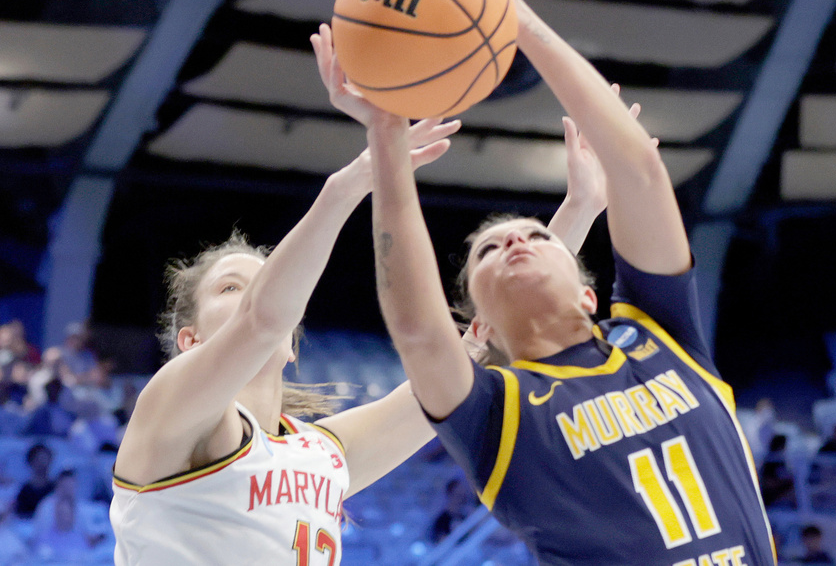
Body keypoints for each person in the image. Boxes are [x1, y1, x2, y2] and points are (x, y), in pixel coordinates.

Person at [328, 0, 776, 565]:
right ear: (479, 327)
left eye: (538, 236)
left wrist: (510, 11)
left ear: (591, 294)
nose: (514, 241)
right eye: (487, 249)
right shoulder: (495, 414)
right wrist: (387, 137)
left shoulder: (659, 333)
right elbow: (420, 328)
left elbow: (641, 169)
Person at [110, 75, 610, 563]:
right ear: (190, 339)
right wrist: (348, 185)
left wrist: (581, 208)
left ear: (292, 347)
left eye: (262, 284)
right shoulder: (167, 410)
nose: (255, 299)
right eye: (230, 288)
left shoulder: (324, 452)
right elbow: (262, 319)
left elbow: (477, 346)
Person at [14, 443, 55, 520]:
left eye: (46, 459)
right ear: (31, 462)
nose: (43, 463)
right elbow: (20, 515)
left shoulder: (55, 488)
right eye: (39, 459)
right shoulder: (25, 490)